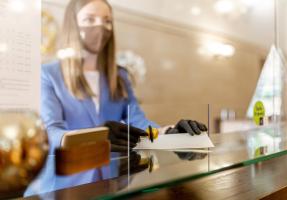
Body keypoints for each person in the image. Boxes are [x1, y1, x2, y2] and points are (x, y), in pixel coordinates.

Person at [41, 0, 207, 156]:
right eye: (90, 19)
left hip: (112, 176)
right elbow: (51, 132)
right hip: (69, 177)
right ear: (73, 24)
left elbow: (137, 121)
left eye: (106, 20)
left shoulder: (119, 75)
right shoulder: (49, 74)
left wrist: (168, 133)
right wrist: (93, 137)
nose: (100, 26)